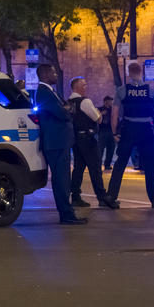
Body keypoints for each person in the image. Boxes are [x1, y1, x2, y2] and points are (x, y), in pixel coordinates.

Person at [106, 62, 154, 208]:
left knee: (120, 164)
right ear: (141, 73)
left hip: (128, 129)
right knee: (150, 165)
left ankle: (111, 196)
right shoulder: (152, 89)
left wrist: (114, 132)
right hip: (146, 129)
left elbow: (114, 114)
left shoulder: (122, 90)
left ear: (128, 73)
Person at [34, 64, 86, 225]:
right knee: (61, 180)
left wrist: (67, 109)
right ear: (45, 74)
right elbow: (64, 113)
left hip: (59, 142)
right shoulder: (44, 93)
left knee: (63, 179)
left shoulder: (50, 92)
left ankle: (67, 213)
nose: (56, 74)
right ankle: (66, 214)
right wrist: (68, 110)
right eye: (53, 72)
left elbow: (67, 108)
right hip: (55, 142)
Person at [67, 77, 118, 210]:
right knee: (95, 167)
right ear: (77, 87)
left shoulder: (68, 102)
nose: (86, 87)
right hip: (88, 138)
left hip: (75, 138)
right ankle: (102, 197)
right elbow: (98, 118)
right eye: (84, 85)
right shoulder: (85, 101)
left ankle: (76, 196)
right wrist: (98, 113)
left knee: (78, 168)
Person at [98, 95, 116, 169]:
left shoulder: (113, 110)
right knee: (100, 149)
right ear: (106, 101)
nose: (112, 102)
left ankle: (107, 164)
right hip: (102, 131)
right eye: (110, 101)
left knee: (111, 148)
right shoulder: (99, 109)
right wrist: (101, 114)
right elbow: (95, 118)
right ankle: (98, 165)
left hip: (111, 131)